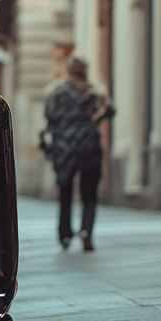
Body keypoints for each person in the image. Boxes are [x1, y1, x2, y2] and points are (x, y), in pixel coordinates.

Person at [43, 57, 114, 251]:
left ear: (68, 70)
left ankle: (65, 233)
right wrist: (97, 118)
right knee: (89, 194)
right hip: (89, 145)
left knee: (65, 192)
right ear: (85, 70)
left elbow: (49, 118)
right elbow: (110, 109)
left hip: (65, 147)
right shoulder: (95, 90)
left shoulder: (55, 91)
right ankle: (86, 231)